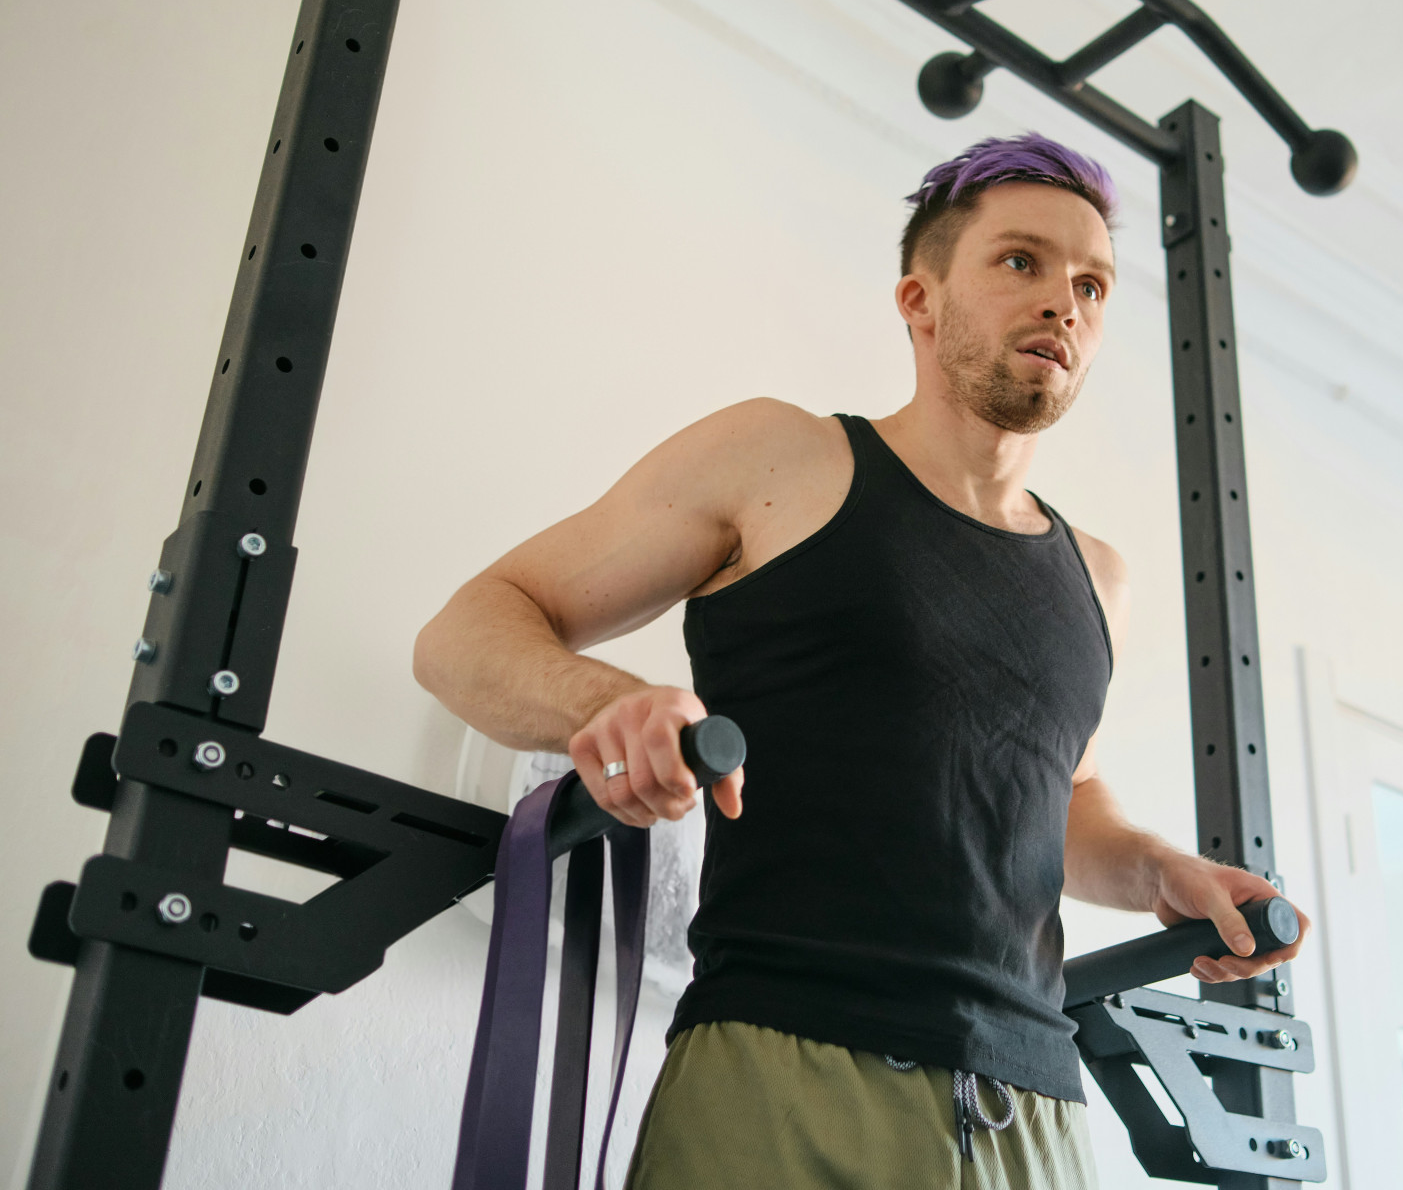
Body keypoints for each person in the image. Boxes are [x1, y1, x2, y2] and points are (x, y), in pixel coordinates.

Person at [413, 133, 1309, 1189]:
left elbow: (1061, 800)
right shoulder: (781, 458)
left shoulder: (1097, 576)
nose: (1063, 304)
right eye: (1020, 261)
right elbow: (465, 632)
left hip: (1035, 1113)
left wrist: (1161, 869)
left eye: (1091, 285)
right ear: (920, 299)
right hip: (786, 1066)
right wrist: (610, 700)